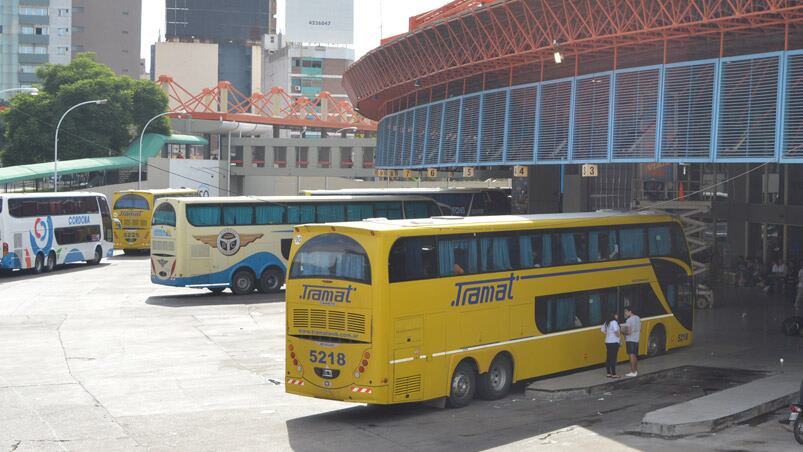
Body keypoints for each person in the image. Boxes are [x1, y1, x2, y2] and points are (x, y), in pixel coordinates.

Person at [600, 312, 621, 378]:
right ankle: (614, 374)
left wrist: (608, 333)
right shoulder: (614, 322)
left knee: (608, 358)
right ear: (614, 315)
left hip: (607, 341)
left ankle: (608, 373)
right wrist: (618, 336)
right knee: (613, 358)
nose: (617, 316)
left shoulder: (607, 322)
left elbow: (602, 330)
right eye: (616, 314)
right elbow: (615, 331)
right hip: (614, 342)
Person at [622, 306, 641, 377]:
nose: (625, 313)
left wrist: (622, 331)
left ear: (630, 311)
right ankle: (635, 371)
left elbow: (628, 332)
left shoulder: (629, 320)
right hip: (636, 339)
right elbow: (640, 329)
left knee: (631, 355)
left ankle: (632, 372)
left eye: (626, 311)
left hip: (630, 340)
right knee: (635, 355)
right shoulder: (638, 318)